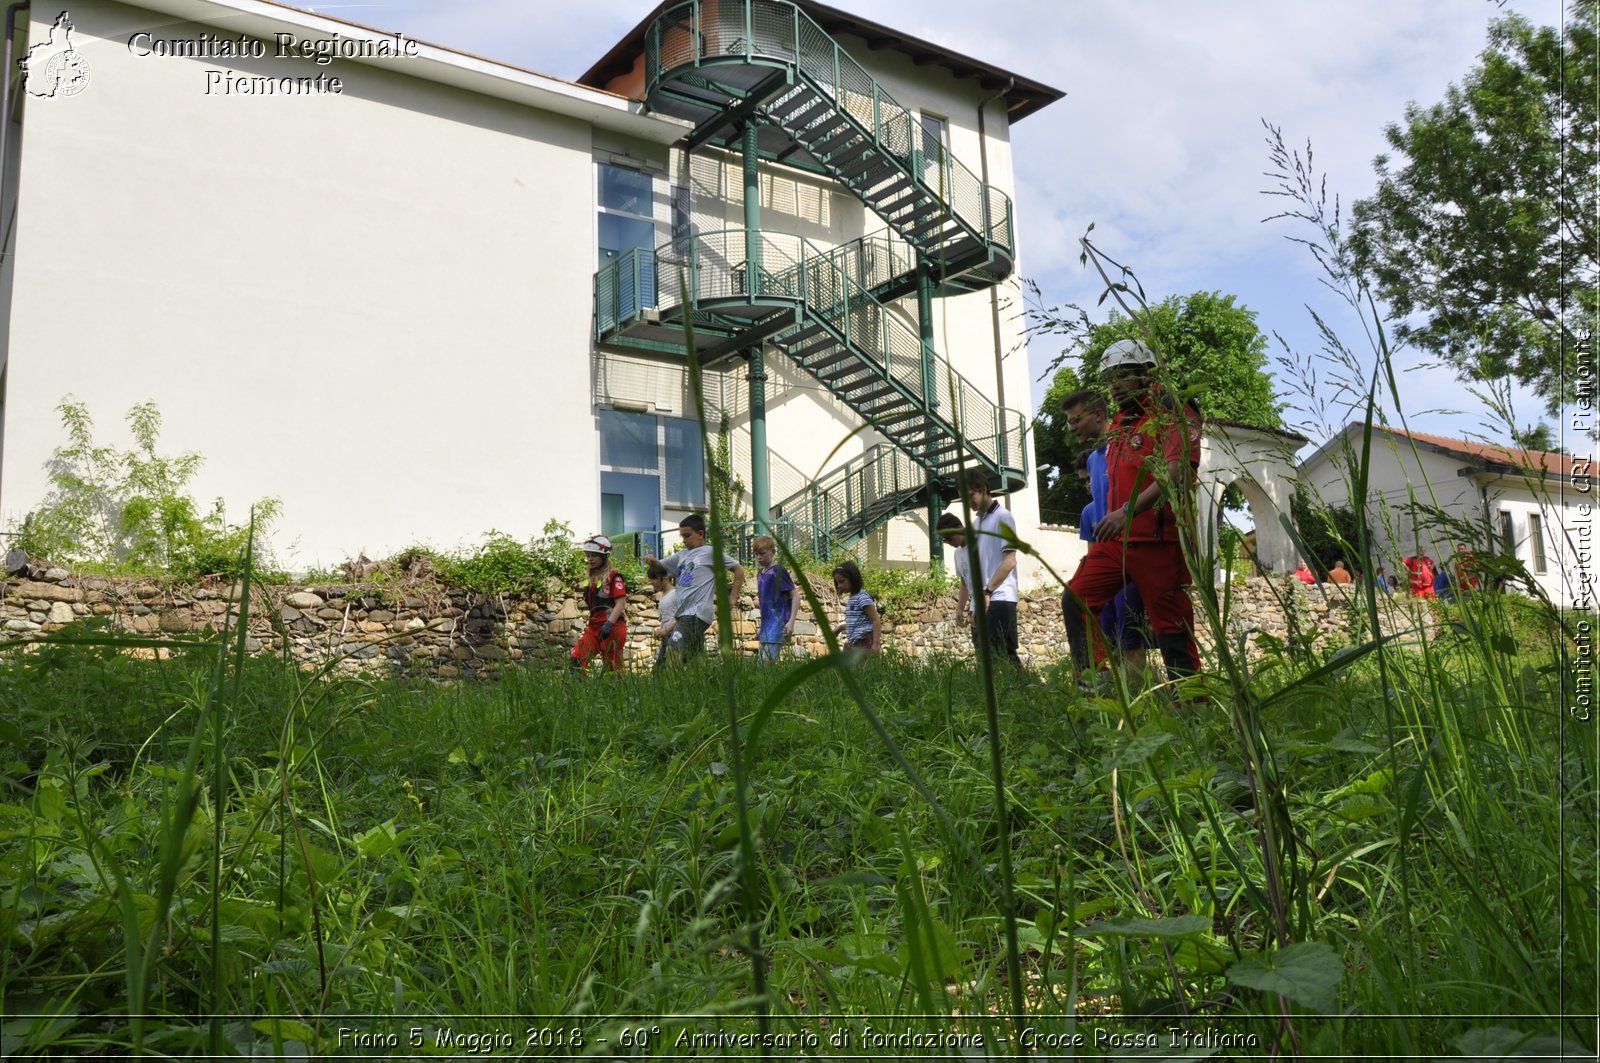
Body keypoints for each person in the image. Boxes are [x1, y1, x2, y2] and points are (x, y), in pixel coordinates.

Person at [1062, 339, 1203, 683]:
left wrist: (1126, 512)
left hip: (1159, 542)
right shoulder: (1124, 421)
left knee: (1172, 629)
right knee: (1075, 599)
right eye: (1109, 378)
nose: (1113, 386)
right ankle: (1096, 681)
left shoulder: (1174, 409)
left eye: (1121, 376)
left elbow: (1178, 472)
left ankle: (1193, 704)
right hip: (1117, 542)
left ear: (1145, 373)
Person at [1060, 387, 1155, 678]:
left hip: (1135, 550)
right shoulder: (1092, 460)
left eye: (1075, 420)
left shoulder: (1128, 444)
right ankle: (1095, 682)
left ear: (1099, 415)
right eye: (1067, 421)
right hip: (1108, 554)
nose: (1070, 427)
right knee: (1080, 606)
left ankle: (1154, 706)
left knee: (1132, 640)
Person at [643, 514, 745, 658]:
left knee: (673, 651)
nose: (684, 540)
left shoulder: (710, 552)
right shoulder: (682, 555)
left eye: (687, 536)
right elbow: (661, 569)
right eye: (682, 537)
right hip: (684, 613)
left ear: (700, 534)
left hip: (697, 612)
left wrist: (733, 596)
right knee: (694, 658)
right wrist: (653, 562)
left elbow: (739, 570)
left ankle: (673, 681)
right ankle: (701, 679)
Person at [963, 465, 1023, 668]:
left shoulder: (1003, 517)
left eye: (971, 494)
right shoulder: (975, 525)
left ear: (984, 489)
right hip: (982, 600)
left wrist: (988, 591)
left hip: (1001, 597)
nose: (968, 501)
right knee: (986, 658)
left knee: (1004, 655)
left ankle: (1027, 695)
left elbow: (1010, 560)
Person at [570, 534, 627, 674]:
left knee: (612, 669)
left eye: (594, 555)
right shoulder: (590, 579)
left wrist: (608, 625)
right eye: (588, 555)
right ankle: (580, 694)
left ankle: (617, 695)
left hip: (611, 627)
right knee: (576, 661)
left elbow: (620, 603)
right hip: (594, 627)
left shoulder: (614, 576)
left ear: (604, 556)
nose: (590, 559)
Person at [752, 535, 800, 661]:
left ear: (773, 552)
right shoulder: (760, 574)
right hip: (766, 626)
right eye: (756, 554)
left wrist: (791, 621)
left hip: (777, 623)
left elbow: (795, 595)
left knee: (766, 664)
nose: (759, 557)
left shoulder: (778, 571)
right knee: (762, 665)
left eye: (762, 553)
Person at [938, 513, 980, 647]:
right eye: (944, 539)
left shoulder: (979, 545)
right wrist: (960, 608)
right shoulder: (957, 554)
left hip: (990, 602)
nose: (948, 542)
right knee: (979, 650)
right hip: (975, 606)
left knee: (1002, 651)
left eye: (949, 537)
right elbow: (964, 582)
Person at [831, 560, 880, 652]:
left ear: (853, 578)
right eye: (837, 583)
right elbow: (858, 622)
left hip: (864, 641)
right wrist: (840, 628)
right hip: (855, 641)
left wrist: (876, 643)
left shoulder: (862, 598)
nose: (839, 586)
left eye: (842, 581)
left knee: (859, 665)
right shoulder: (852, 598)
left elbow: (875, 619)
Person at [646, 559, 682, 671]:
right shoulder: (663, 596)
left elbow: (683, 616)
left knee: (666, 669)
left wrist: (666, 629)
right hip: (666, 637)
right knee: (661, 670)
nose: (652, 582)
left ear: (665, 577)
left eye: (654, 579)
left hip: (675, 637)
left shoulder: (676, 594)